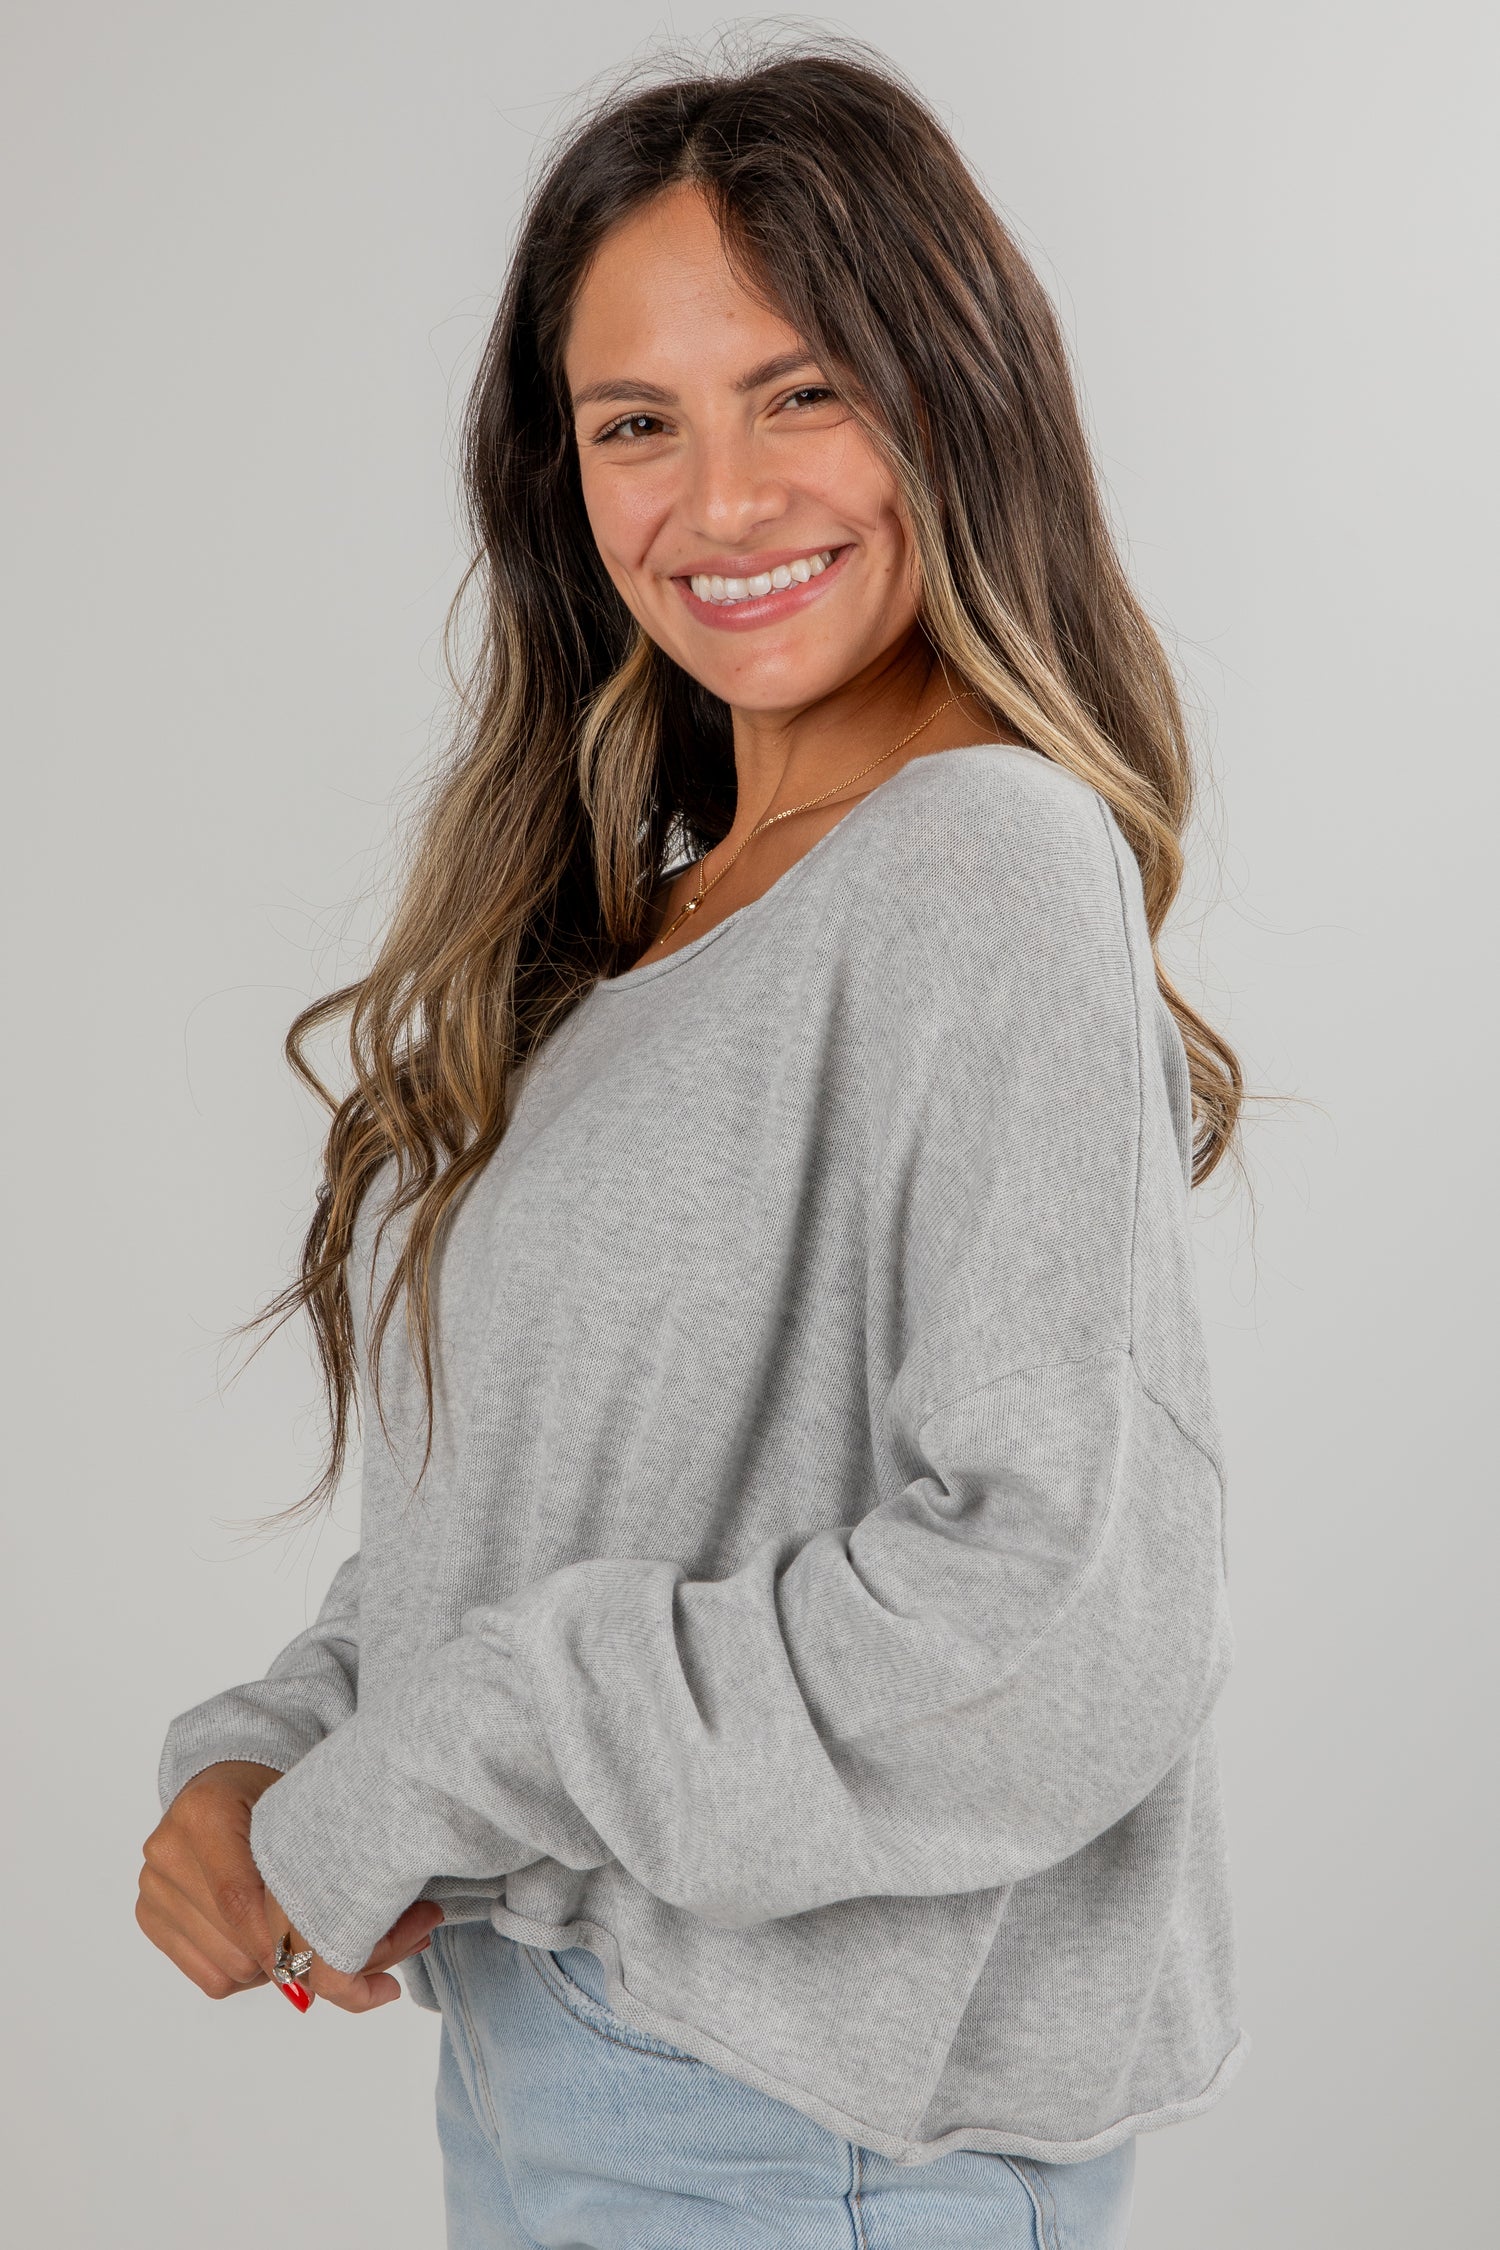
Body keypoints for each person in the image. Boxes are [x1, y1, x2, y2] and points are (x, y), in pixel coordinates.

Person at [138, 41, 1249, 2250]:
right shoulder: (673, 922)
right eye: (636, 422)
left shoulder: (988, 859)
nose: (717, 500)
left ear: (954, 392)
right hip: (598, 2061)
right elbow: (558, 1508)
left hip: (782, 2116)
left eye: (802, 390)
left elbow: (1054, 1617)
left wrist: (428, 1771)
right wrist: (273, 1756)